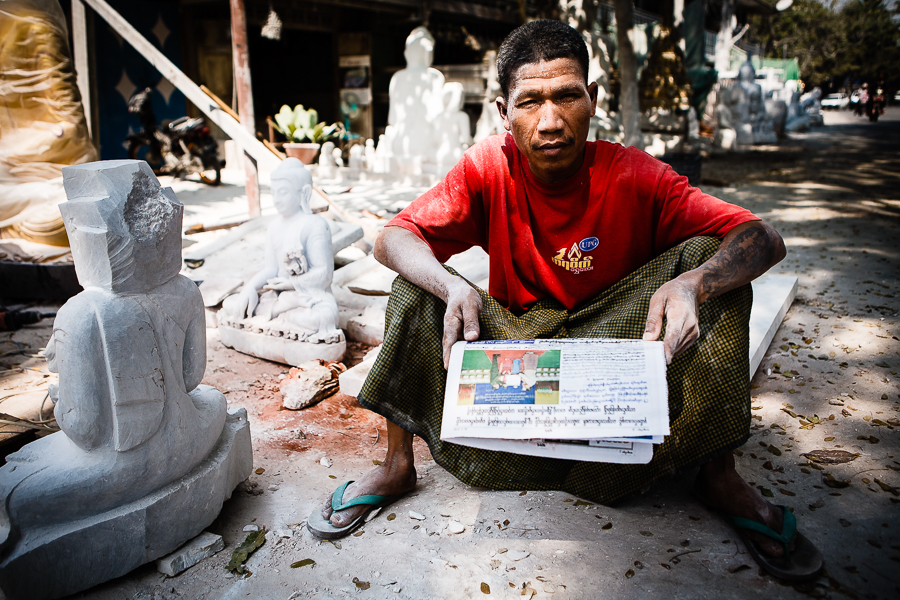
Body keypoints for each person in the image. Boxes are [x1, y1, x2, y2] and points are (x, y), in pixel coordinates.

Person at [307, 21, 821, 582]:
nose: (550, 120)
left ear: (592, 99)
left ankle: (719, 476)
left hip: (611, 350)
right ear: (504, 113)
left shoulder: (635, 174)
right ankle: (397, 465)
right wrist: (451, 285)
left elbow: (763, 238)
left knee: (711, 263)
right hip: (522, 353)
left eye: (567, 96)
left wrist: (693, 283)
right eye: (530, 101)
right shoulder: (488, 167)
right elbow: (393, 237)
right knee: (416, 283)